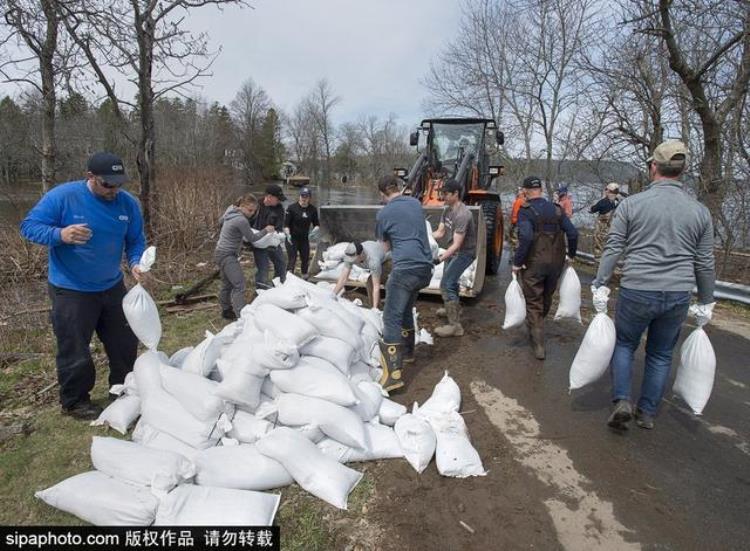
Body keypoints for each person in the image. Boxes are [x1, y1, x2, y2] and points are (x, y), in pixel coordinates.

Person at [593, 141, 715, 431]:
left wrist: (600, 282)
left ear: (653, 167)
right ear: (682, 170)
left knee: (624, 344)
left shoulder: (631, 205)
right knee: (660, 354)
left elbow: (613, 247)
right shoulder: (699, 212)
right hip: (677, 294)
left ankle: (622, 399)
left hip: (637, 289)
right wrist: (707, 300)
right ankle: (646, 412)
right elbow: (704, 262)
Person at [19, 152, 146, 420]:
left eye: (118, 184)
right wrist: (60, 234)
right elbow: (28, 226)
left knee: (124, 342)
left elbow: (135, 240)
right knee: (74, 347)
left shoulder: (128, 204)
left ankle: (122, 390)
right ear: (90, 177)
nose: (113, 190)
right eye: (107, 184)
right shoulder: (63, 197)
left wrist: (135, 263)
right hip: (71, 289)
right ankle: (75, 401)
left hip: (111, 285)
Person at [375, 174, 433, 391]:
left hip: (405, 269)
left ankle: (393, 375)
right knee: (407, 307)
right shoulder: (416, 203)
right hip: (425, 269)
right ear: (399, 187)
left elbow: (385, 247)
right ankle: (408, 353)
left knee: (391, 317)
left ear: (382, 193)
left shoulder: (384, 213)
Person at [512, 176, 578, 360]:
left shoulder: (526, 210)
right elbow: (573, 233)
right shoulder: (556, 209)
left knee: (533, 301)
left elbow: (525, 237)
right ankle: (538, 325)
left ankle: (538, 343)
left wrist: (517, 262)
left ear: (525, 190)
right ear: (540, 189)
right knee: (547, 295)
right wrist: (571, 255)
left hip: (534, 262)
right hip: (556, 263)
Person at [215, 194, 276, 320]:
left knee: (227, 284)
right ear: (241, 206)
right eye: (249, 210)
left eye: (254, 211)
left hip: (219, 252)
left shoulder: (230, 212)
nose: (252, 213)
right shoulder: (241, 220)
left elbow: (220, 222)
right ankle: (242, 316)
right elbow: (252, 238)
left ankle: (226, 310)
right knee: (240, 285)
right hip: (227, 255)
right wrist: (266, 230)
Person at [431, 178, 476, 337]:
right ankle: (454, 308)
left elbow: (457, 245)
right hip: (453, 250)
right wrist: (426, 238)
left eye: (446, 194)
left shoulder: (463, 214)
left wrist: (439, 259)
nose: (443, 196)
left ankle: (455, 326)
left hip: (464, 253)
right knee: (450, 281)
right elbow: (440, 232)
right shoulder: (447, 209)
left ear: (456, 194)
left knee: (447, 283)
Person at [251, 183, 287, 290]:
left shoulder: (279, 208)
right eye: (278, 198)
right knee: (263, 268)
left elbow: (279, 227)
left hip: (272, 240)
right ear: (269, 197)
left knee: (281, 264)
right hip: (258, 242)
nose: (279, 201)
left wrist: (279, 234)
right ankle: (260, 290)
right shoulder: (255, 205)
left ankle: (278, 285)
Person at [332, 240, 387, 308]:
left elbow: (376, 286)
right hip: (373, 256)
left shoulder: (373, 261)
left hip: (387, 260)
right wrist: (333, 294)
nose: (352, 261)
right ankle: (375, 307)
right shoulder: (350, 255)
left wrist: (375, 309)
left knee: (371, 282)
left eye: (354, 259)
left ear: (361, 254)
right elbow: (343, 277)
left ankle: (378, 309)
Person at [284, 187, 319, 278]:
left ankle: (304, 278)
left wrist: (314, 231)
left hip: (304, 239)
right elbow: (286, 225)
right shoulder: (291, 208)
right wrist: (287, 234)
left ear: (309, 198)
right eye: (302, 196)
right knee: (292, 259)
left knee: (305, 259)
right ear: (299, 196)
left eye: (306, 196)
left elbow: (317, 224)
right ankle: (288, 278)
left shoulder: (313, 209)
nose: (304, 198)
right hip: (292, 238)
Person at [589, 182, 626, 261]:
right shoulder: (619, 202)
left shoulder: (603, 202)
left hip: (601, 230)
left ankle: (599, 262)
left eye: (606, 189)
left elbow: (592, 209)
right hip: (614, 230)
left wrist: (603, 198)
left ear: (608, 191)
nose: (605, 191)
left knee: (598, 246)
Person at [509, 187, 526, 261]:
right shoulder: (519, 200)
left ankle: (516, 257)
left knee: (515, 240)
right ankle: (514, 256)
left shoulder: (521, 201)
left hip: (517, 223)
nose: (518, 192)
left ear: (522, 192)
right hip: (516, 223)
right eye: (518, 190)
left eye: (519, 190)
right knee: (514, 240)